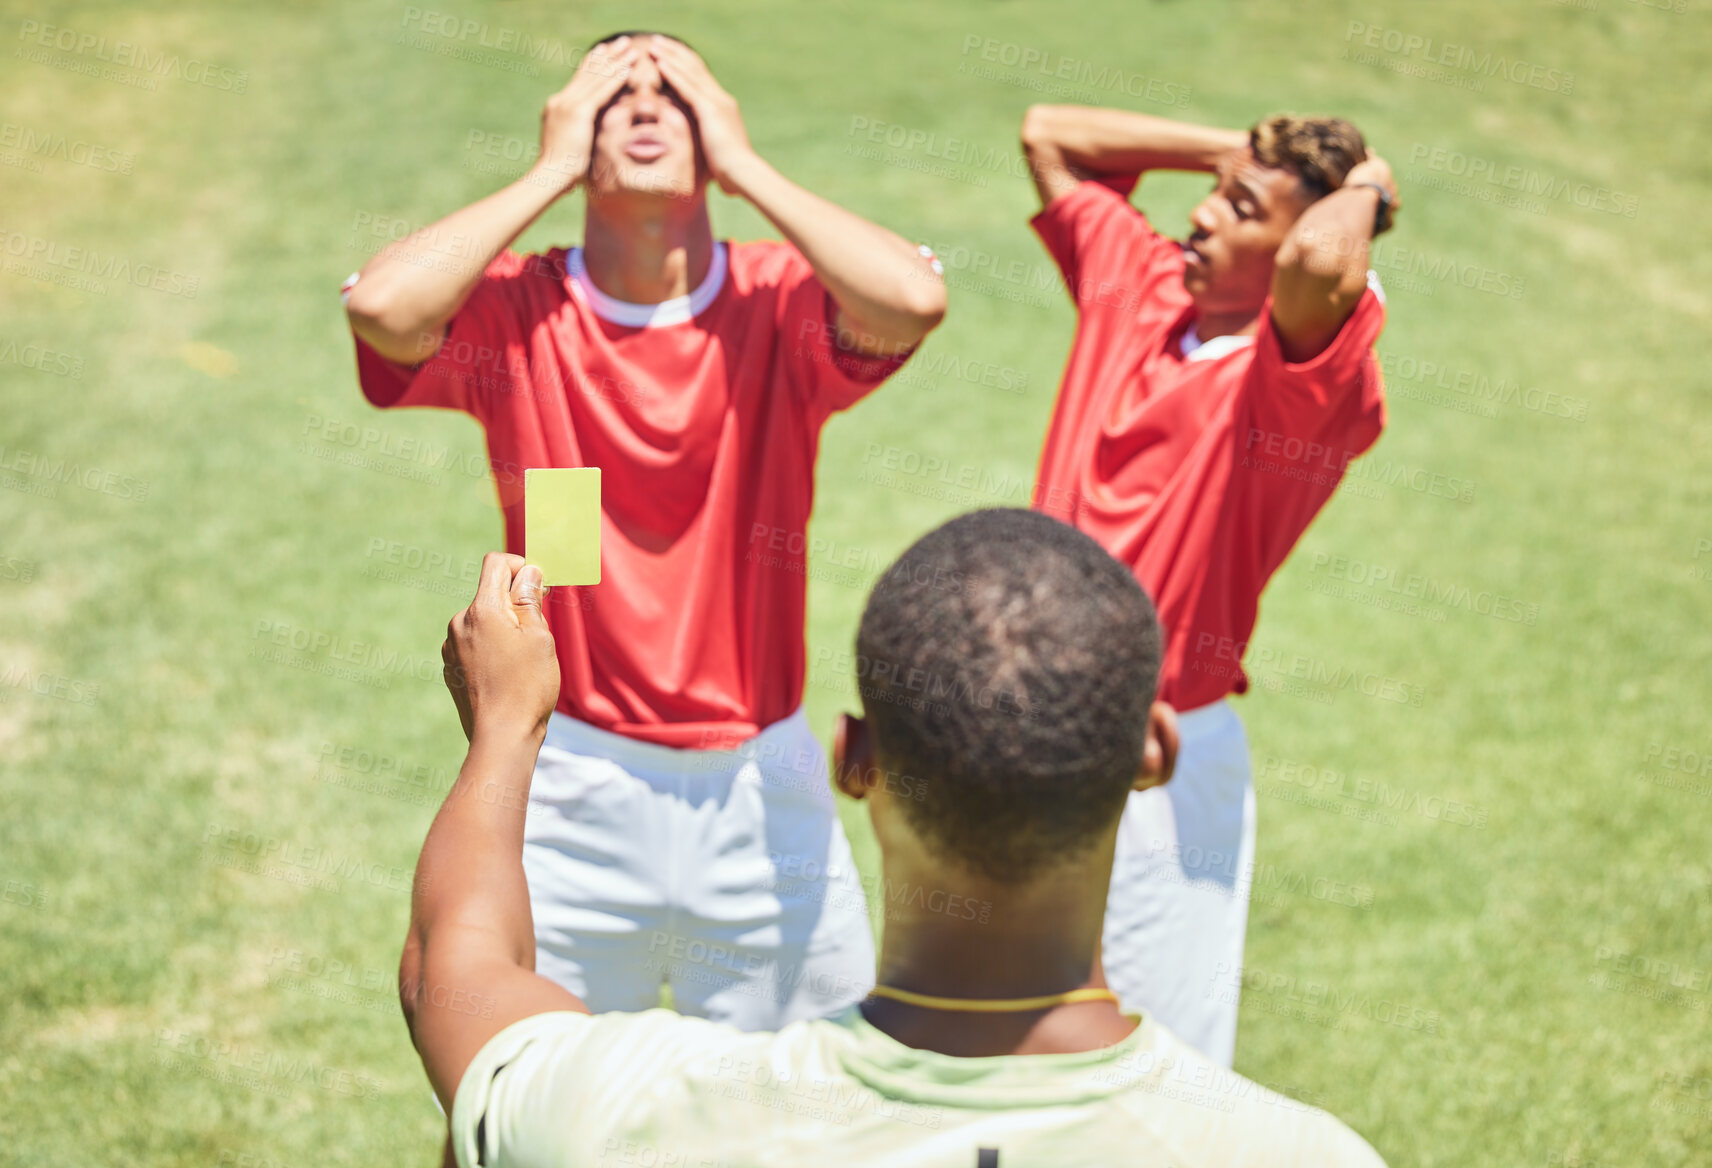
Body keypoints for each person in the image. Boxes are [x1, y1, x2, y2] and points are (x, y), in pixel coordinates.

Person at [403, 510, 1386, 1167]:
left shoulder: (637, 1113)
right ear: (1152, 751)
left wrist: (506, 727)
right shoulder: (1308, 1156)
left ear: (853, 761)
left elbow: (454, 967)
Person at [342, 32, 946, 1029]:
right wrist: (545, 169)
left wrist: (746, 165)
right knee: (533, 1106)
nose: (644, 106)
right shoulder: (517, 312)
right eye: (611, 93)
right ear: (571, 126)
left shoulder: (778, 296)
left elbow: (914, 298)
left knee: (813, 1113)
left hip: (763, 778)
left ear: (714, 126)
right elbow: (380, 305)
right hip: (571, 774)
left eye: (675, 92)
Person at [1017, 104, 1401, 1065]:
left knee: (1162, 1062)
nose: (1201, 213)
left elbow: (1320, 264)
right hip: (1024, 728)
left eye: (1238, 208)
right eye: (1212, 194)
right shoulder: (1141, 290)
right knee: (1002, 1034)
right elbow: (1049, 133)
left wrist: (1364, 187)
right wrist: (1232, 152)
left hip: (1169, 754)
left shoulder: (1300, 382)